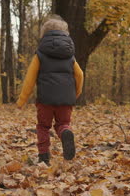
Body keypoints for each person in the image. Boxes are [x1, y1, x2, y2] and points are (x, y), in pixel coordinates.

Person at [16, 15, 84, 165]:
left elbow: (29, 79)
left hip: (45, 100)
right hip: (66, 99)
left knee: (43, 127)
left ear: (44, 35)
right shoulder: (70, 56)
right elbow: (80, 75)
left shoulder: (40, 54)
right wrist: (76, 93)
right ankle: (65, 131)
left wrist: (22, 100)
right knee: (62, 123)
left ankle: (44, 157)